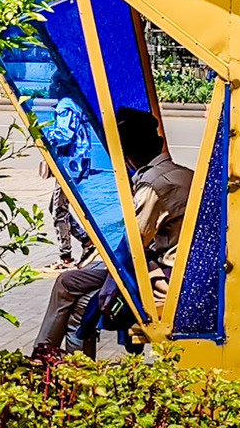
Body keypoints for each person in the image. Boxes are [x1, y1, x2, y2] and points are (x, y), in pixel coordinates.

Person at [34, 107, 194, 356]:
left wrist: (111, 284)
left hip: (166, 278)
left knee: (81, 302)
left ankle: (61, 362)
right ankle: (45, 354)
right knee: (68, 282)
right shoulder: (181, 174)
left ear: (125, 155)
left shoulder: (153, 185)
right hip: (168, 267)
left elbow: (132, 245)